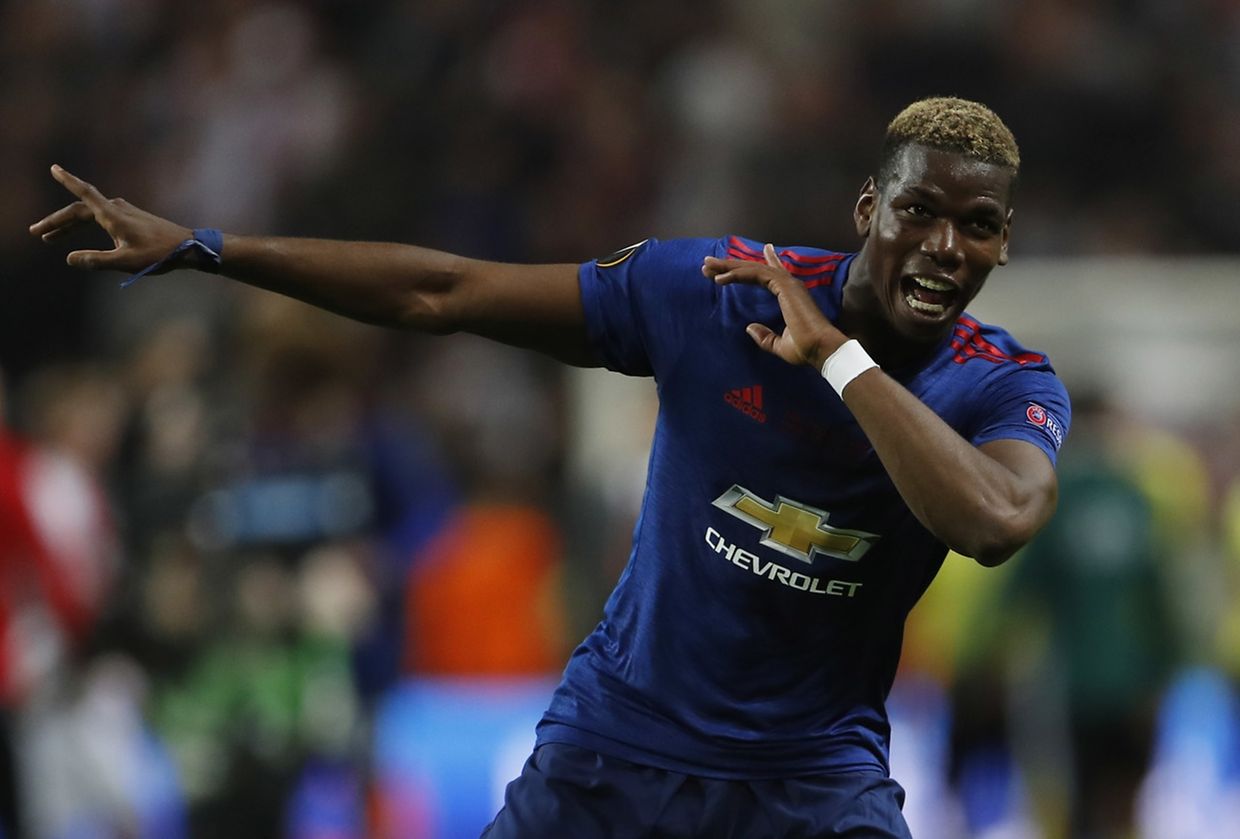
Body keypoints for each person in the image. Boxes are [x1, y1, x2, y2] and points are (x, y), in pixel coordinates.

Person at [31, 96, 1069, 838]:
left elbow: (994, 521)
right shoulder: (711, 290)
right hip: (616, 749)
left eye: (974, 226)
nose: (942, 245)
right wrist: (211, 247)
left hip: (809, 780)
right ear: (865, 209)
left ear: (1003, 243)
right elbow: (446, 291)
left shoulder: (1002, 385)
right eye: (917, 210)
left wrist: (837, 361)